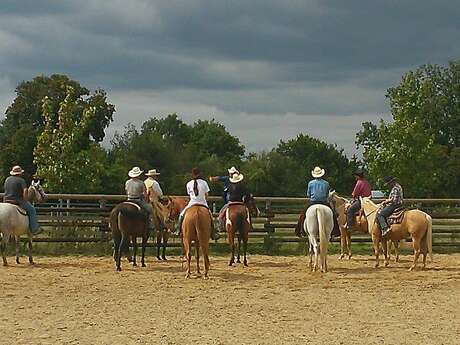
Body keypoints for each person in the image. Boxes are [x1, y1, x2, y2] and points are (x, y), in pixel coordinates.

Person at [174, 167, 219, 240]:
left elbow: (190, 195)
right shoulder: (204, 183)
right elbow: (206, 195)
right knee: (211, 217)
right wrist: (204, 200)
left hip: (192, 203)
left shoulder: (188, 184)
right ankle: (214, 232)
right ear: (200, 174)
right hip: (203, 203)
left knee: (181, 215)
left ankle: (178, 230)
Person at [295, 166, 340, 237]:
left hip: (313, 202)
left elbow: (308, 194)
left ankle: (300, 230)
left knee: (303, 214)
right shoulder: (326, 183)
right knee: (333, 215)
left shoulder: (310, 183)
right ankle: (336, 231)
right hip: (324, 203)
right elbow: (327, 195)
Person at [3, 165, 41, 234]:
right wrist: (25, 199)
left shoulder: (7, 179)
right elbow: (25, 190)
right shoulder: (21, 180)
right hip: (17, 201)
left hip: (6, 201)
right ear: (20, 173)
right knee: (32, 210)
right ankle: (34, 229)